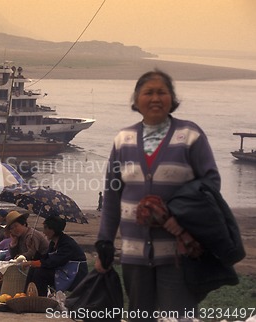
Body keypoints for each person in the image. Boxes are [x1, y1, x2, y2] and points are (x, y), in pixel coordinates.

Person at [95, 70, 221, 321]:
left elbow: (211, 183)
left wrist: (180, 213)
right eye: (148, 92)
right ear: (137, 99)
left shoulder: (190, 136)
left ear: (172, 98)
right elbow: (112, 197)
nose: (155, 98)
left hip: (179, 252)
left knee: (179, 317)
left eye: (162, 92)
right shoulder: (123, 140)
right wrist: (104, 243)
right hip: (134, 254)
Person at [22, 216, 88, 296]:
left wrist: (32, 263)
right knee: (33, 269)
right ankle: (27, 294)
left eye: (45, 228)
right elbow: (46, 258)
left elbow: (53, 262)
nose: (44, 232)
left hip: (73, 274)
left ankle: (40, 298)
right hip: (61, 269)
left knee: (40, 273)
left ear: (53, 230)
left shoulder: (67, 244)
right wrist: (34, 251)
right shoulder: (53, 243)